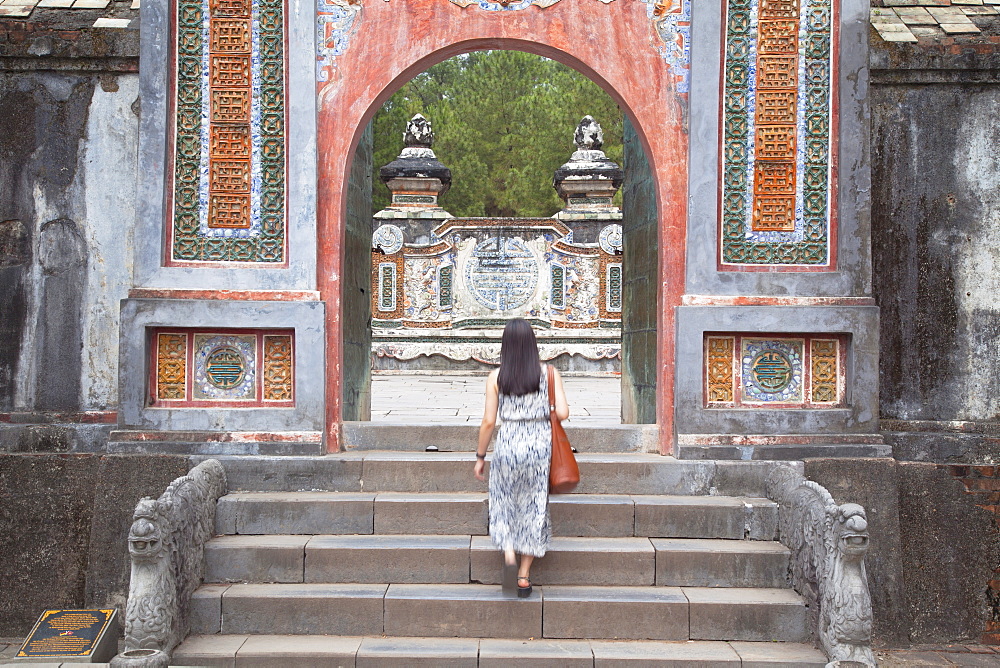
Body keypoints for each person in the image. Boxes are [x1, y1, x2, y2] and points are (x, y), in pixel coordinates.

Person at [473, 318, 570, 598]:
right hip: (540, 446)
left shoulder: (496, 377)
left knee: (503, 503)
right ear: (532, 344)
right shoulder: (549, 374)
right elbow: (562, 414)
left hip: (508, 445)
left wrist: (480, 456)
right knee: (534, 508)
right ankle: (524, 577)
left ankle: (508, 557)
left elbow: (488, 422)